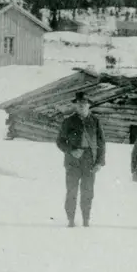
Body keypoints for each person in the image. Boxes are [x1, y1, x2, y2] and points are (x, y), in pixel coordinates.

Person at [56, 91, 107, 227]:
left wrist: (100, 162)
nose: (81, 106)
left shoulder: (95, 121)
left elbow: (101, 142)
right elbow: (60, 141)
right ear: (75, 106)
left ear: (89, 105)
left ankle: (86, 220)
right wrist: (71, 150)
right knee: (72, 191)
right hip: (73, 162)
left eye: (84, 104)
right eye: (79, 104)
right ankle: (71, 220)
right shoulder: (68, 121)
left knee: (88, 191)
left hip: (90, 161)